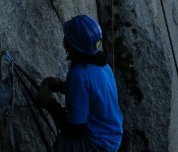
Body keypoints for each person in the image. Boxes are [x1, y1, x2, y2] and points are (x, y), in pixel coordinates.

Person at [37, 15, 123, 152]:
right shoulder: (103, 66)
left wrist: (50, 103)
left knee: (64, 143)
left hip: (97, 144)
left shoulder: (79, 75)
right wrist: (61, 86)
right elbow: (93, 93)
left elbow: (74, 129)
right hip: (112, 140)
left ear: (71, 45)